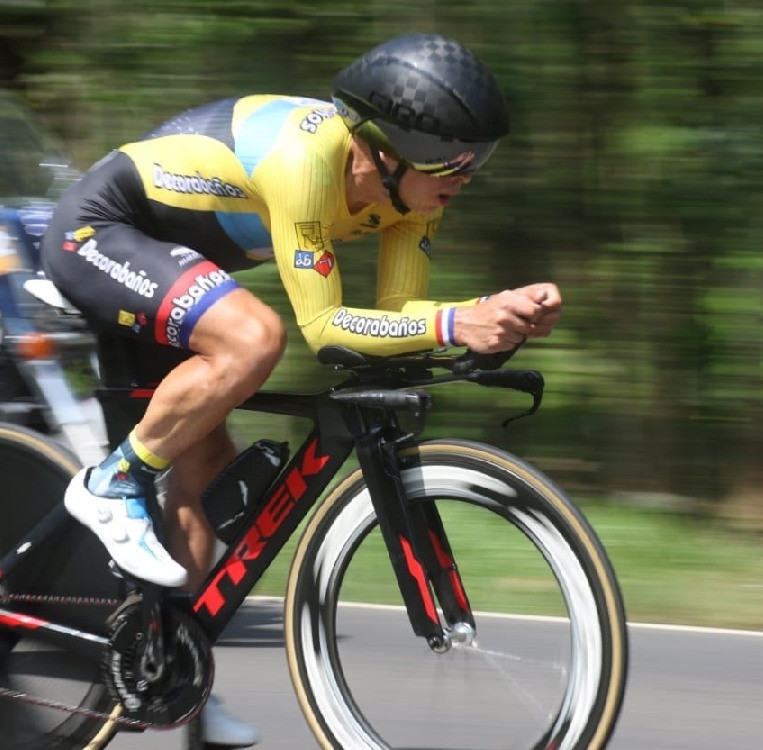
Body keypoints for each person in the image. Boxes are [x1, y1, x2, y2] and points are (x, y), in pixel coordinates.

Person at [41, 33, 562, 746]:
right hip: (101, 232)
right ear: (390, 146)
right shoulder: (306, 161)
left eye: (480, 158)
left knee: (202, 479)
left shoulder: (414, 195)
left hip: (170, 260)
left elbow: (390, 320)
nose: (468, 176)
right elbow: (324, 329)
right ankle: (113, 482)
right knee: (254, 337)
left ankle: (175, 679)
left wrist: (485, 316)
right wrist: (454, 322)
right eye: (456, 158)